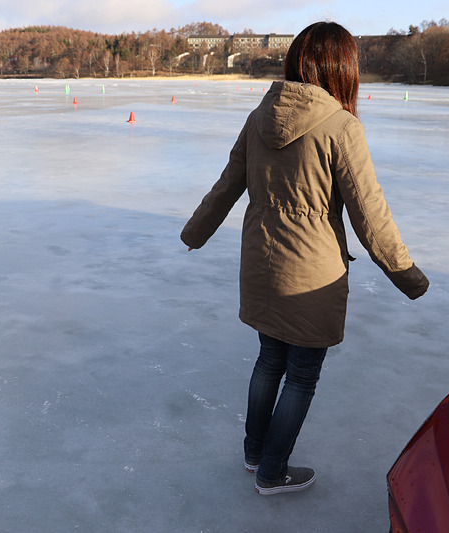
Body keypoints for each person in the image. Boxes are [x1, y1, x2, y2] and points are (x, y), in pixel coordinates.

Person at [180, 22, 429, 496]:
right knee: (301, 375)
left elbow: (226, 186)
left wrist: (195, 232)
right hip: (310, 274)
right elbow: (370, 215)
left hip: (260, 264)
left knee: (268, 359)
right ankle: (273, 471)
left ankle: (255, 453)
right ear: (342, 68)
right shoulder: (341, 126)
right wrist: (407, 276)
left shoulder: (259, 116)